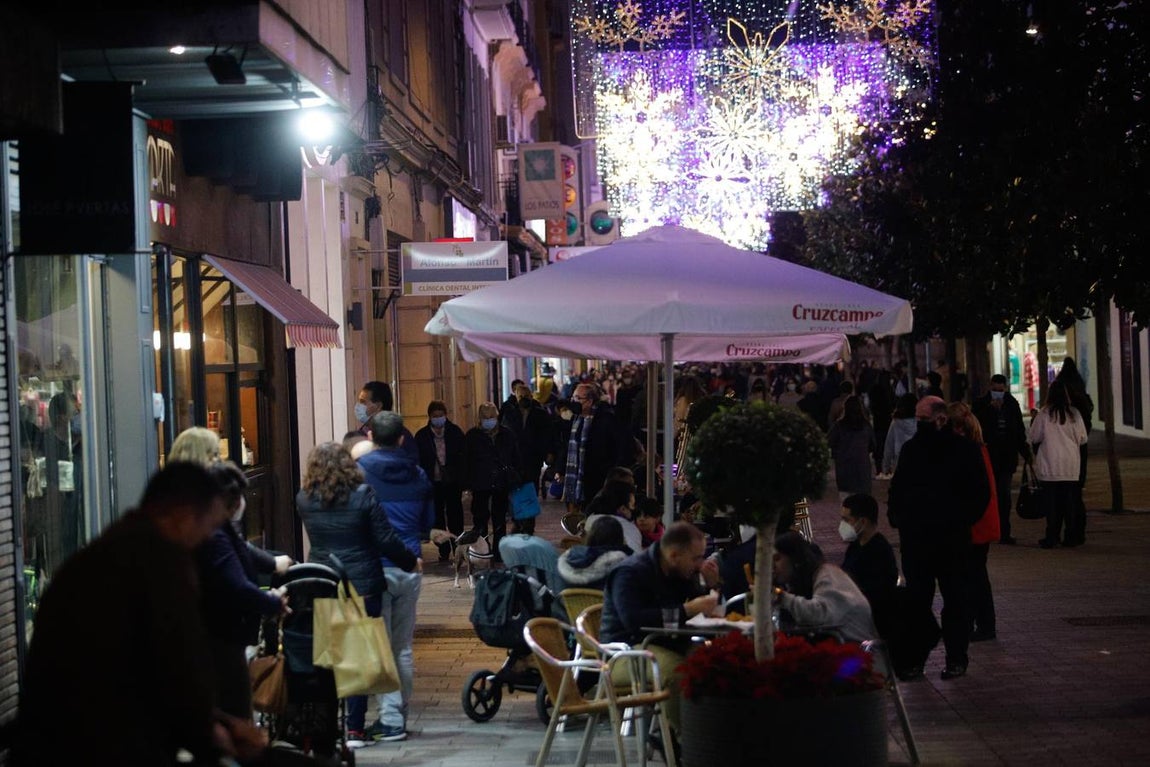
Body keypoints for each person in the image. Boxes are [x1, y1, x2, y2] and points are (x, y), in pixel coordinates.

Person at [13, 462, 240, 766]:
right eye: (209, 527)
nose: (207, 538)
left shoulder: (98, 555)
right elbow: (181, 673)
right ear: (183, 516)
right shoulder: (162, 566)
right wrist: (216, 734)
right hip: (110, 747)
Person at [296, 440, 419, 748]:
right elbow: (385, 539)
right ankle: (354, 729)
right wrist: (409, 561)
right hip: (363, 584)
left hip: (322, 581)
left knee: (331, 654)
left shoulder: (304, 499)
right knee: (360, 655)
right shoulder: (364, 495)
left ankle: (328, 725)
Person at [887, 395, 989, 681]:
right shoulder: (911, 450)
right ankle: (916, 659)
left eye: (922, 420)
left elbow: (980, 493)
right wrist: (898, 516)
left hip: (951, 541)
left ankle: (956, 658)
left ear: (941, 419)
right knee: (917, 603)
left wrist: (960, 520)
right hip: (917, 541)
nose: (917, 424)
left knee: (956, 600)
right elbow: (898, 487)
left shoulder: (964, 451)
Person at [357, 411, 434, 743]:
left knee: (382, 647)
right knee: (401, 646)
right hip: (409, 565)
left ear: (371, 437)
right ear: (402, 438)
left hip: (374, 567)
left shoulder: (360, 474)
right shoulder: (418, 476)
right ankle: (397, 713)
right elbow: (425, 523)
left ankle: (390, 720)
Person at [600, 521, 721, 734]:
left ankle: (714, 732)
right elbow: (633, 620)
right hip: (624, 652)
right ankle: (688, 740)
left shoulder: (679, 573)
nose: (700, 563)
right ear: (674, 555)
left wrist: (712, 586)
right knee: (677, 673)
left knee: (716, 665)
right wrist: (686, 610)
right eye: (696, 558)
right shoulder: (630, 572)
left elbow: (700, 607)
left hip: (668, 644)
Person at [197, 461, 290, 721]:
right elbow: (237, 585)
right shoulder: (215, 536)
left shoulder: (217, 531)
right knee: (234, 712)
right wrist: (270, 602)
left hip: (221, 635)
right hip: (221, 638)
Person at [947, 402, 1001, 642]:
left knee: (972, 576)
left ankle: (980, 624)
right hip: (981, 520)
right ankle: (980, 623)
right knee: (976, 574)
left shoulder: (969, 451)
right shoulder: (979, 448)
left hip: (974, 523)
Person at [772, 531, 879, 645]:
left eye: (777, 559)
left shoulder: (828, 575)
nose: (773, 566)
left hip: (857, 654)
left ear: (795, 559)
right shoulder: (799, 583)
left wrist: (780, 596)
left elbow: (818, 615)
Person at [1028, 379, 1089, 549]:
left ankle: (1052, 536)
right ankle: (1070, 536)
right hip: (1070, 466)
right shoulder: (1074, 414)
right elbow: (1083, 438)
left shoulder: (1044, 414)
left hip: (1050, 465)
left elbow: (1034, 437)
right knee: (1069, 503)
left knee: (1052, 505)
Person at [972, 374, 1031, 545]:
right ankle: (990, 530)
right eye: (995, 390)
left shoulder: (1012, 404)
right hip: (988, 456)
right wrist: (991, 409)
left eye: (1001, 390)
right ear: (990, 387)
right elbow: (976, 425)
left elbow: (1018, 430)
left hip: (1006, 456)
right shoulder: (981, 404)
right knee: (989, 494)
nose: (998, 393)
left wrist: (1025, 451)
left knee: (1004, 496)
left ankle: (1004, 532)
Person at [561, 382, 634, 511]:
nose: (573, 401)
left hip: (599, 477)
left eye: (578, 398)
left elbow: (623, 446)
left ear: (589, 401)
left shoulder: (607, 419)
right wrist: (559, 468)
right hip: (578, 477)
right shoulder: (575, 420)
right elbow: (568, 446)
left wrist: (612, 472)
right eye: (573, 398)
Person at [463, 401, 522, 556]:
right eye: (485, 417)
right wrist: (468, 483)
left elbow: (515, 456)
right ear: (480, 418)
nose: (488, 420)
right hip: (480, 481)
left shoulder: (506, 434)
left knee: (500, 517)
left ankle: (499, 549)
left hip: (501, 481)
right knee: (480, 517)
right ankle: (482, 548)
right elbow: (467, 460)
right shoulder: (472, 436)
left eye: (491, 417)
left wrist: (514, 475)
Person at [839, 494, 899, 642]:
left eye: (846, 520)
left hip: (872, 626)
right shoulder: (855, 546)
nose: (842, 525)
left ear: (863, 521)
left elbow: (879, 591)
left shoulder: (879, 551)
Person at [414, 400, 467, 561]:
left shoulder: (455, 432)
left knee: (455, 515)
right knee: (437, 517)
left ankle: (458, 546)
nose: (438, 419)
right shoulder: (423, 436)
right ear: (429, 417)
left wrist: (463, 480)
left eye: (441, 415)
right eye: (435, 416)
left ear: (446, 415)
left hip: (452, 481)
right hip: (432, 482)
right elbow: (419, 461)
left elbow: (463, 458)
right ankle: (443, 548)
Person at [1054, 359, 1094, 546]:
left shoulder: (1064, 407)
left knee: (1064, 496)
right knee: (1076, 494)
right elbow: (1086, 431)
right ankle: (1078, 532)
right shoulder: (1084, 402)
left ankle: (1068, 532)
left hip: (1064, 452)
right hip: (1079, 451)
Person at [500, 379, 552, 519]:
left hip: (533, 456)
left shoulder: (540, 413)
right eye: (521, 397)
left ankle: (529, 514)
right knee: (515, 484)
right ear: (516, 398)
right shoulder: (509, 413)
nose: (524, 399)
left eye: (526, 397)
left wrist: (545, 452)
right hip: (515, 457)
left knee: (531, 484)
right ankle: (517, 513)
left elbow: (546, 434)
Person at [557, 515, 631, 591]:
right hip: (605, 601)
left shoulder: (569, 559)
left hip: (570, 602)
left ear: (591, 536)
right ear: (619, 538)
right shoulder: (619, 563)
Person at [827, 395, 876, 499]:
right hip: (862, 469)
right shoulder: (866, 426)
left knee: (846, 501)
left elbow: (829, 441)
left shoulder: (839, 426)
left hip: (844, 468)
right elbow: (873, 445)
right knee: (863, 504)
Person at [355, 380, 418, 461]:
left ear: (378, 406)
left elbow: (412, 466)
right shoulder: (358, 435)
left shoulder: (400, 434)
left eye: (363, 402)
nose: (358, 406)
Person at [583, 477, 644, 554]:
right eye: (632, 505)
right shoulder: (628, 528)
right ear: (623, 509)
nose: (634, 509)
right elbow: (636, 559)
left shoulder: (591, 519)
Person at [881, 393, 919, 476]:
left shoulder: (895, 423)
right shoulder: (920, 423)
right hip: (917, 463)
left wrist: (885, 467)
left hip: (900, 463)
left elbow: (889, 446)